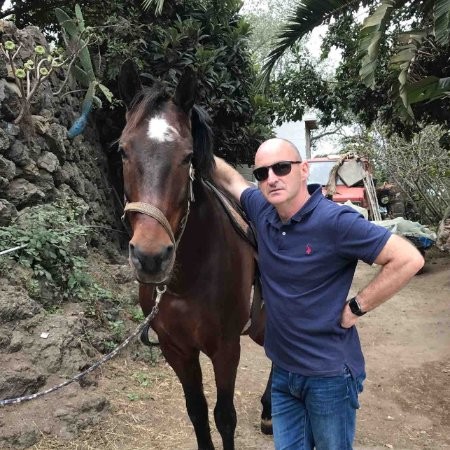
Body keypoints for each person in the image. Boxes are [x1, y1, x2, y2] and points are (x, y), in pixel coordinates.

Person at [212, 138, 424, 450]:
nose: (271, 178)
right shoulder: (262, 211)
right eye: (262, 173)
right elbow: (230, 179)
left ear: (303, 171)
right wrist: (189, 143)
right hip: (283, 375)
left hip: (329, 376)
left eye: (282, 167)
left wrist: (356, 307)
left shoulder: (335, 221)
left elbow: (408, 259)